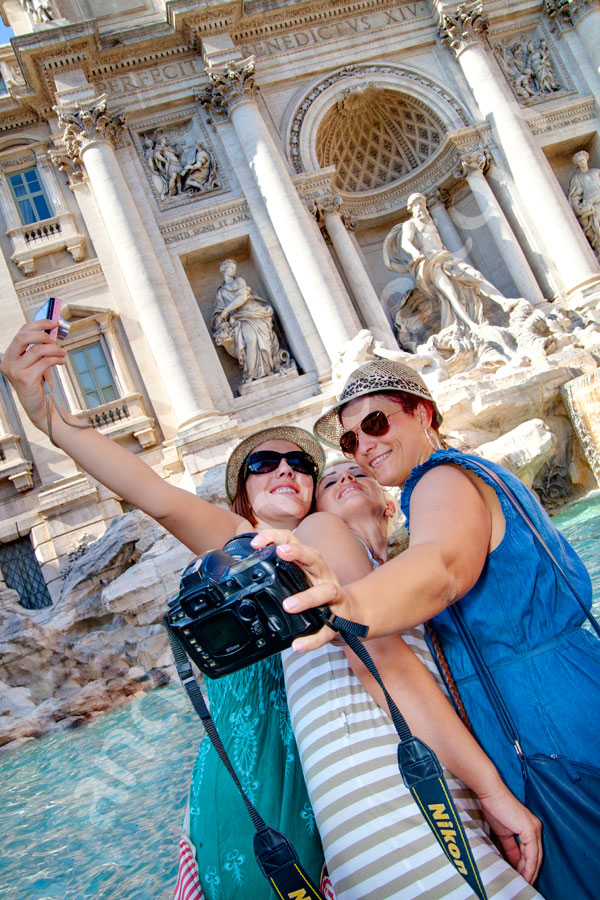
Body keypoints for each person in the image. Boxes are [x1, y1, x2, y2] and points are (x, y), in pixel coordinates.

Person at [0, 323, 541, 900]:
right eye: (264, 461)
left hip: (327, 793)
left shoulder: (337, 548)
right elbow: (155, 495)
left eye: (302, 465)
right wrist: (51, 420)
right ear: (242, 500)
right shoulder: (251, 542)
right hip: (293, 787)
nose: (287, 469)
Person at [256, 357, 600, 900]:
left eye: (375, 424)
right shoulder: (471, 476)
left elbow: (442, 566)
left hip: (539, 718)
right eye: (349, 442)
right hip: (562, 688)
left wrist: (350, 602)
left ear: (422, 413)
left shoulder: (438, 479)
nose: (364, 446)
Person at [211, 259, 287, 383]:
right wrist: (221, 318)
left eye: (234, 268)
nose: (233, 270)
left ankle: (268, 369)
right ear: (223, 270)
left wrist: (226, 310)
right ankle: (251, 373)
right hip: (239, 318)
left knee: (264, 340)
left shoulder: (239, 281)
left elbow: (242, 297)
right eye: (231, 268)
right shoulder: (221, 292)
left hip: (253, 312)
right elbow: (218, 312)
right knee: (250, 340)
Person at [568, 149, 600, 257]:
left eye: (583, 160)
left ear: (587, 160)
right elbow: (575, 196)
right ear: (577, 164)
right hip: (593, 207)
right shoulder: (577, 178)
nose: (582, 162)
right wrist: (579, 208)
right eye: (579, 161)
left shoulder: (596, 172)